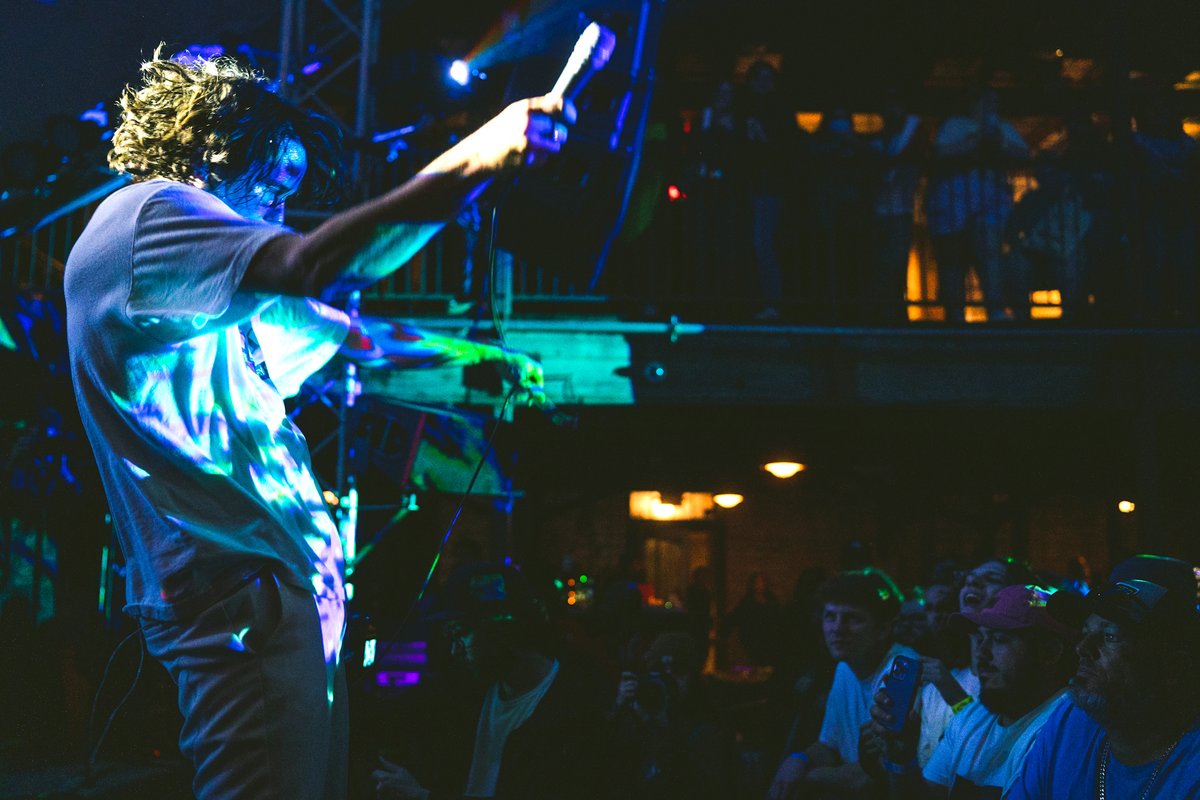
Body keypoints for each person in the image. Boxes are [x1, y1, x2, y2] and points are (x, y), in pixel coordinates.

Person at [64, 49, 571, 800]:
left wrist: (475, 354)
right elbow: (312, 265)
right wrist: (473, 158)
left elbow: (348, 333)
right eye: (275, 178)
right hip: (243, 595)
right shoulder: (152, 216)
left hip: (274, 595)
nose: (279, 201)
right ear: (214, 144)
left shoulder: (204, 288)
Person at [372, 562, 605, 800]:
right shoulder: (468, 691)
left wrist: (424, 797)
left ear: (502, 630)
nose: (455, 649)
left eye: (461, 632)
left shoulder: (578, 709)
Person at [1007, 554, 1200, 799]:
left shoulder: (1191, 767)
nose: (1081, 648)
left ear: (1173, 668)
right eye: (1086, 631)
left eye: (1110, 636)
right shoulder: (1071, 718)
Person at [861, 584, 1079, 798]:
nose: (982, 653)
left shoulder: (1067, 731)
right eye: (980, 638)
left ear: (1049, 652)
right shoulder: (971, 718)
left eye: (999, 640)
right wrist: (901, 758)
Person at [767, 567, 913, 799]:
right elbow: (829, 746)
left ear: (883, 629)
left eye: (853, 618)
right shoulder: (845, 667)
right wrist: (798, 759)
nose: (837, 628)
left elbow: (872, 778)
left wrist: (805, 777)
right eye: (830, 616)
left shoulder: (903, 670)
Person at [926, 87, 1028, 322]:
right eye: (986, 100)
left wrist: (998, 141)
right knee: (953, 262)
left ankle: (994, 309)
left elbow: (1022, 154)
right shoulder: (955, 126)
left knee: (989, 254)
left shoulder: (1003, 128)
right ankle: (955, 315)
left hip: (989, 206)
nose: (991, 106)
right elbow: (941, 152)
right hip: (952, 208)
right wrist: (976, 141)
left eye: (995, 101)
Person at [607, 630, 738, 799]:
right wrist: (619, 709)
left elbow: (700, 785)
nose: (669, 676)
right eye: (660, 669)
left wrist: (664, 730)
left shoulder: (708, 725)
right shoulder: (641, 710)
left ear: (692, 676)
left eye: (679, 668)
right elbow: (605, 767)